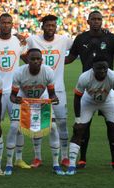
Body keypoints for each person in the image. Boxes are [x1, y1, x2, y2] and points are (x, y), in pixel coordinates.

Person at [65, 10, 114, 170]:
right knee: (83, 127)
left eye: (99, 19)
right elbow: (70, 58)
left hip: (108, 87)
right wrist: (53, 60)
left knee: (113, 127)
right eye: (93, 19)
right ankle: (82, 159)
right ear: (88, 21)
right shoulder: (81, 38)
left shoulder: (111, 38)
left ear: (102, 21)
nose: (96, 22)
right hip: (88, 87)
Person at [65, 55, 114, 177]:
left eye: (105, 68)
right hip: (88, 101)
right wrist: (77, 120)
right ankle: (71, 165)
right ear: (93, 67)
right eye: (99, 68)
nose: (102, 71)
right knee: (78, 131)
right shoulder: (85, 77)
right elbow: (77, 98)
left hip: (108, 101)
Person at [0, 13, 30, 172]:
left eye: (9, 22)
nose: (6, 25)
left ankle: (19, 158)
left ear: (12, 24)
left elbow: (27, 61)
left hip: (16, 92)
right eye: (3, 22)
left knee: (18, 125)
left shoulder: (18, 41)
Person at [8, 48, 65, 175]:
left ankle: (56, 164)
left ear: (42, 60)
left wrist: (54, 99)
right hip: (24, 99)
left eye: (38, 59)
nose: (35, 61)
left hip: (41, 99)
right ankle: (9, 164)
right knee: (13, 127)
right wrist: (15, 100)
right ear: (27, 60)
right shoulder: (19, 72)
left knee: (54, 127)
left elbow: (52, 94)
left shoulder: (48, 72)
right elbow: (12, 95)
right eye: (32, 59)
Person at [26, 14, 73, 168]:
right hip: (39, 90)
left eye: (53, 25)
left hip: (58, 89)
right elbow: (18, 47)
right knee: (38, 125)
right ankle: (37, 157)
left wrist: (63, 62)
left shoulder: (64, 40)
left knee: (62, 123)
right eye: (48, 25)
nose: (50, 28)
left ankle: (65, 157)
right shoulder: (33, 40)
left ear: (56, 27)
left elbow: (78, 48)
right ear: (43, 27)